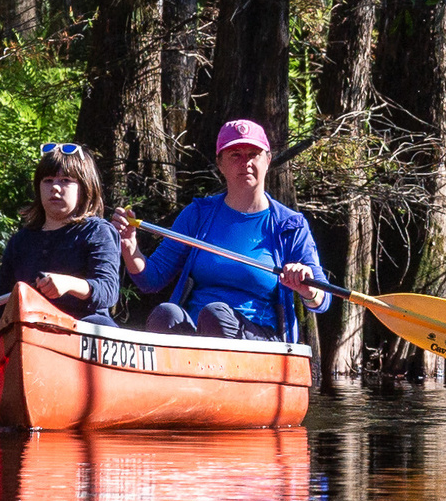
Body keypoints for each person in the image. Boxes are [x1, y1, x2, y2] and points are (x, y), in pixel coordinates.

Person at [119, 120, 330, 340]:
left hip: (258, 335)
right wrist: (130, 247)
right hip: (199, 332)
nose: (245, 162)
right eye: (235, 155)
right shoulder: (198, 215)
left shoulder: (290, 225)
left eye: (253, 154)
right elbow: (151, 279)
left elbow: (322, 301)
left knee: (216, 315)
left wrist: (308, 290)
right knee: (166, 314)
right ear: (220, 164)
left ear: (267, 160)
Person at [0, 142, 124, 332]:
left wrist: (69, 284)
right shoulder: (22, 241)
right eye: (48, 181)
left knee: (99, 323)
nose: (55, 187)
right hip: (32, 328)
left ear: (85, 187)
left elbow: (108, 290)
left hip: (85, 330)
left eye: (65, 181)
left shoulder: (98, 231)